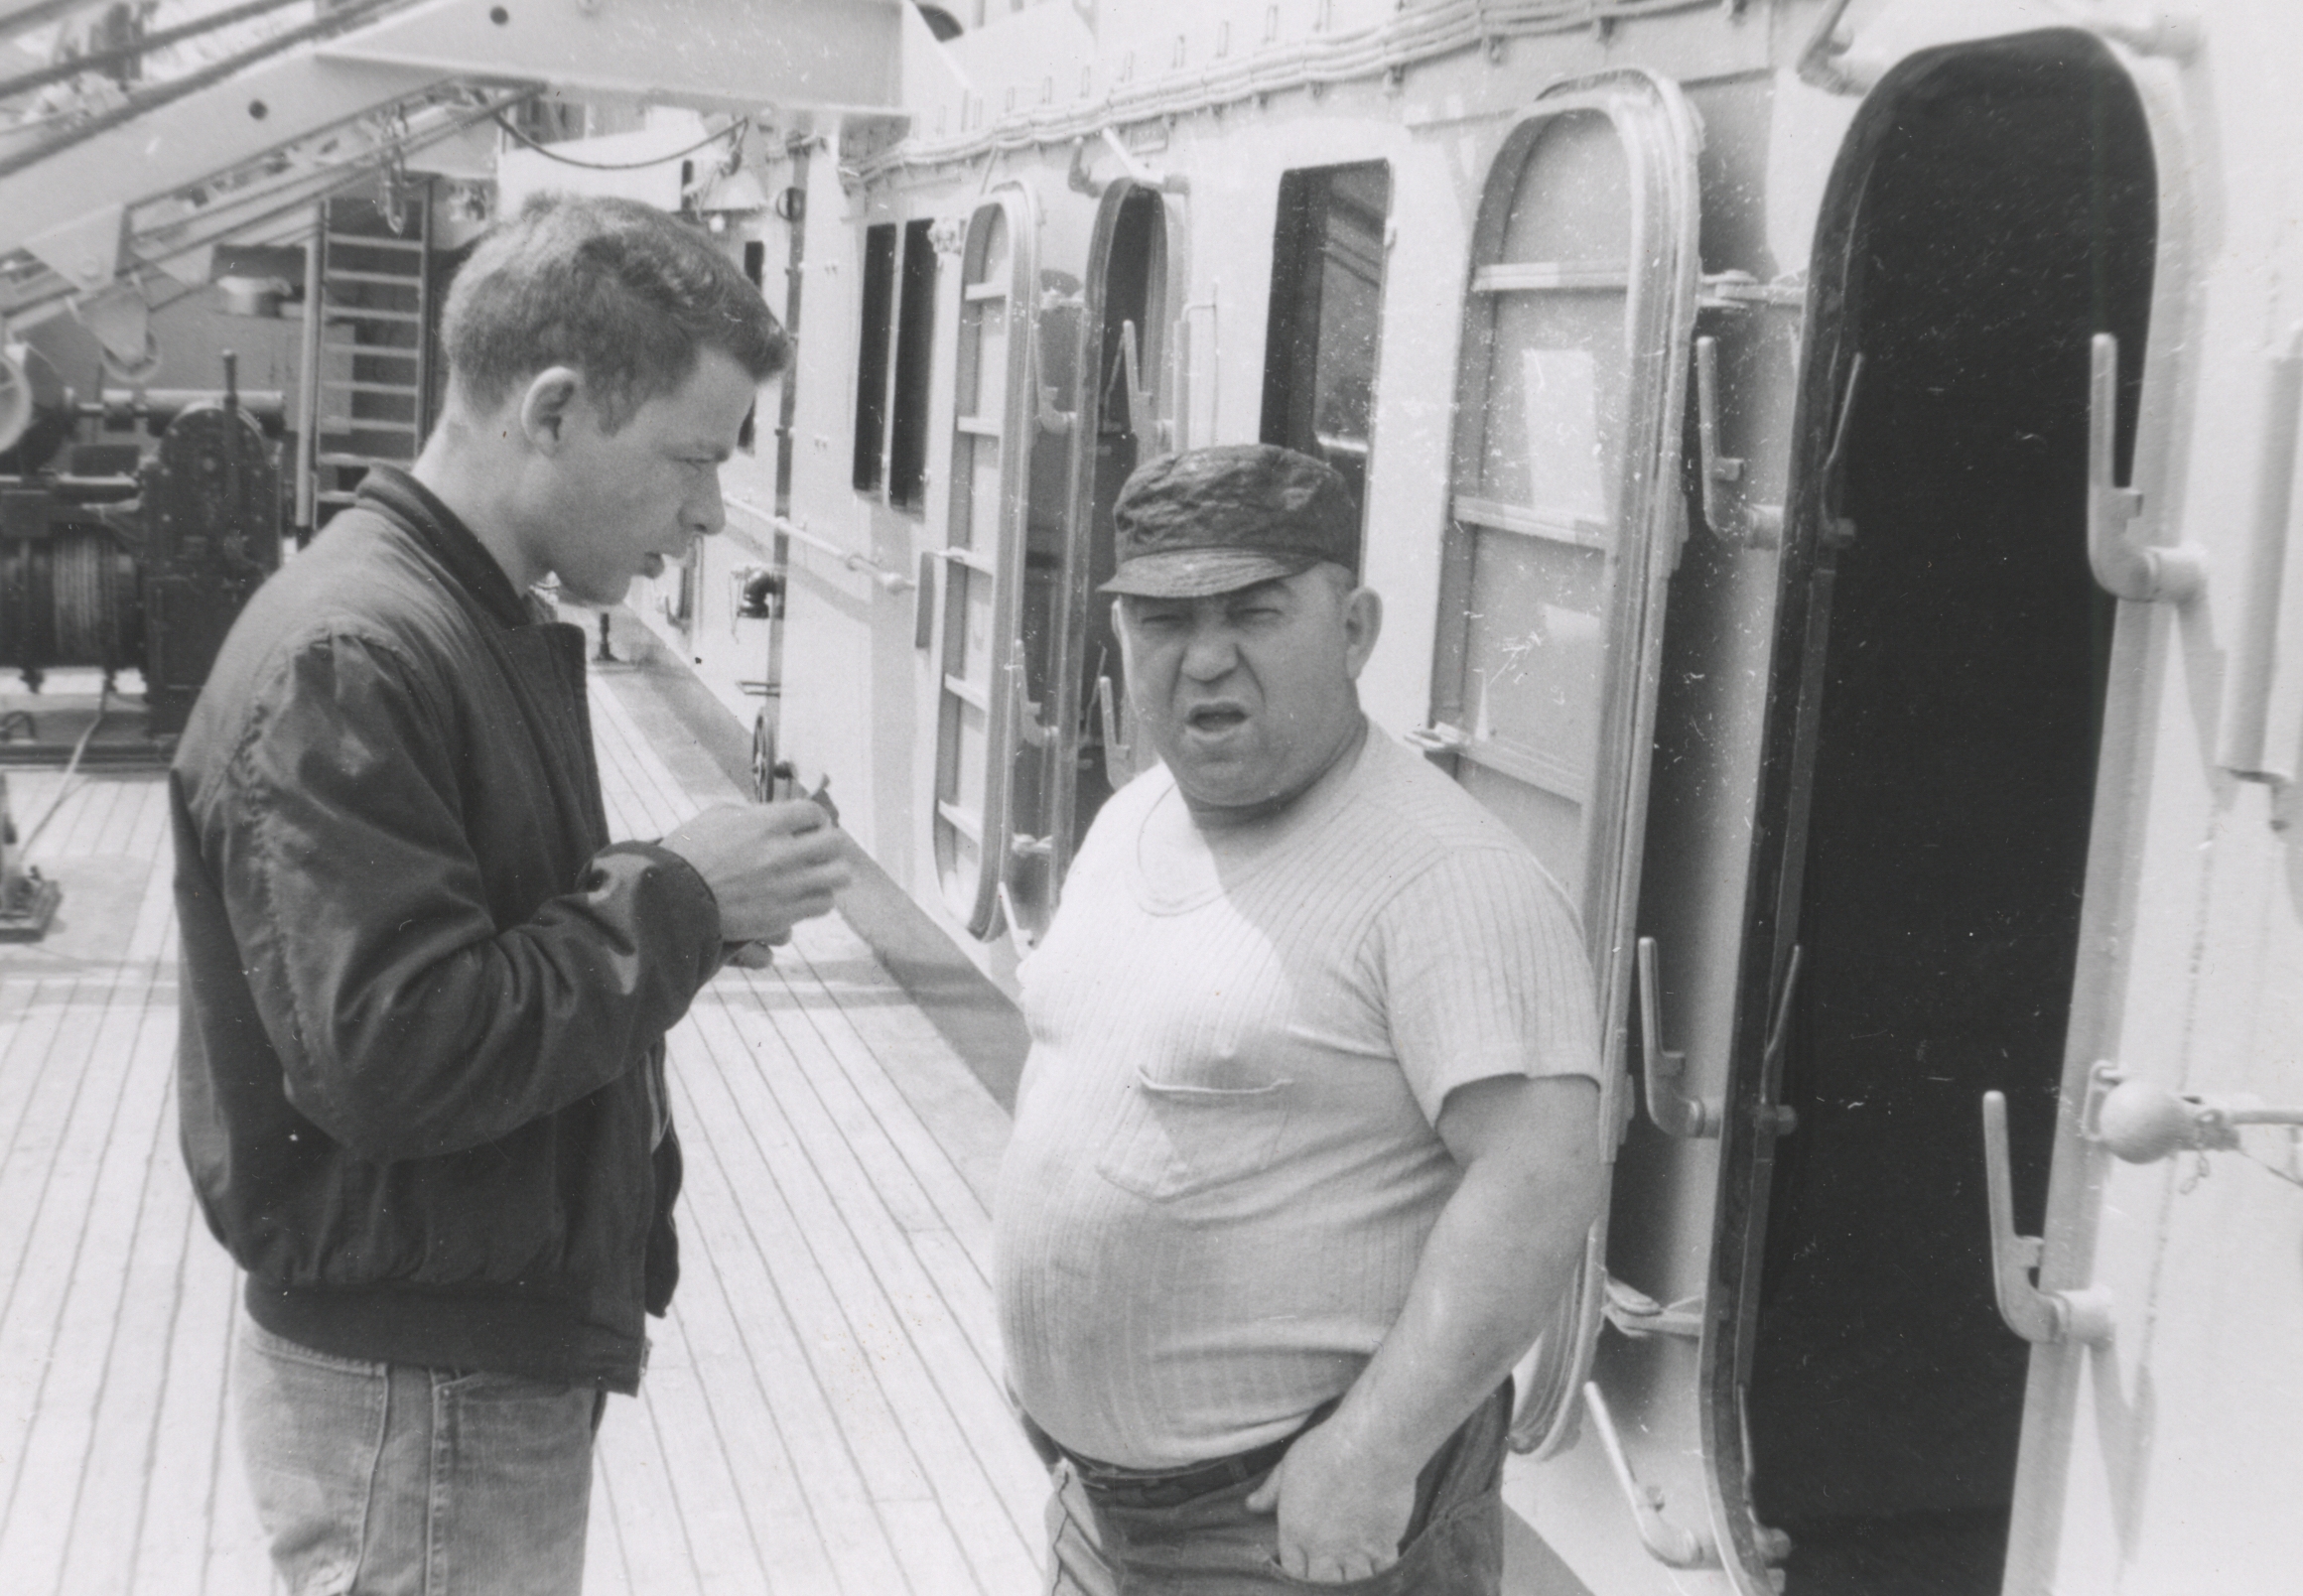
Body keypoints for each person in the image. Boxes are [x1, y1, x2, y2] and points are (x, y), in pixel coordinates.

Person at [172, 193, 849, 1596]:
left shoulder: (453, 619)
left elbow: (467, 954)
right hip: (425, 1397)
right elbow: (396, 1053)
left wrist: (695, 905)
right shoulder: (355, 655)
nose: (709, 513)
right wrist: (678, 902)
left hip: (454, 1370)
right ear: (551, 411)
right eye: (691, 459)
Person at [995, 444, 1606, 1593]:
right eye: (1163, 621)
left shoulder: (1448, 875)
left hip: (1290, 1529)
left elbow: (1540, 1180)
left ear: (1354, 628)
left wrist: (1374, 1451)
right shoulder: (1132, 818)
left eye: (1253, 613)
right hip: (1097, 1512)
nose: (1204, 658)